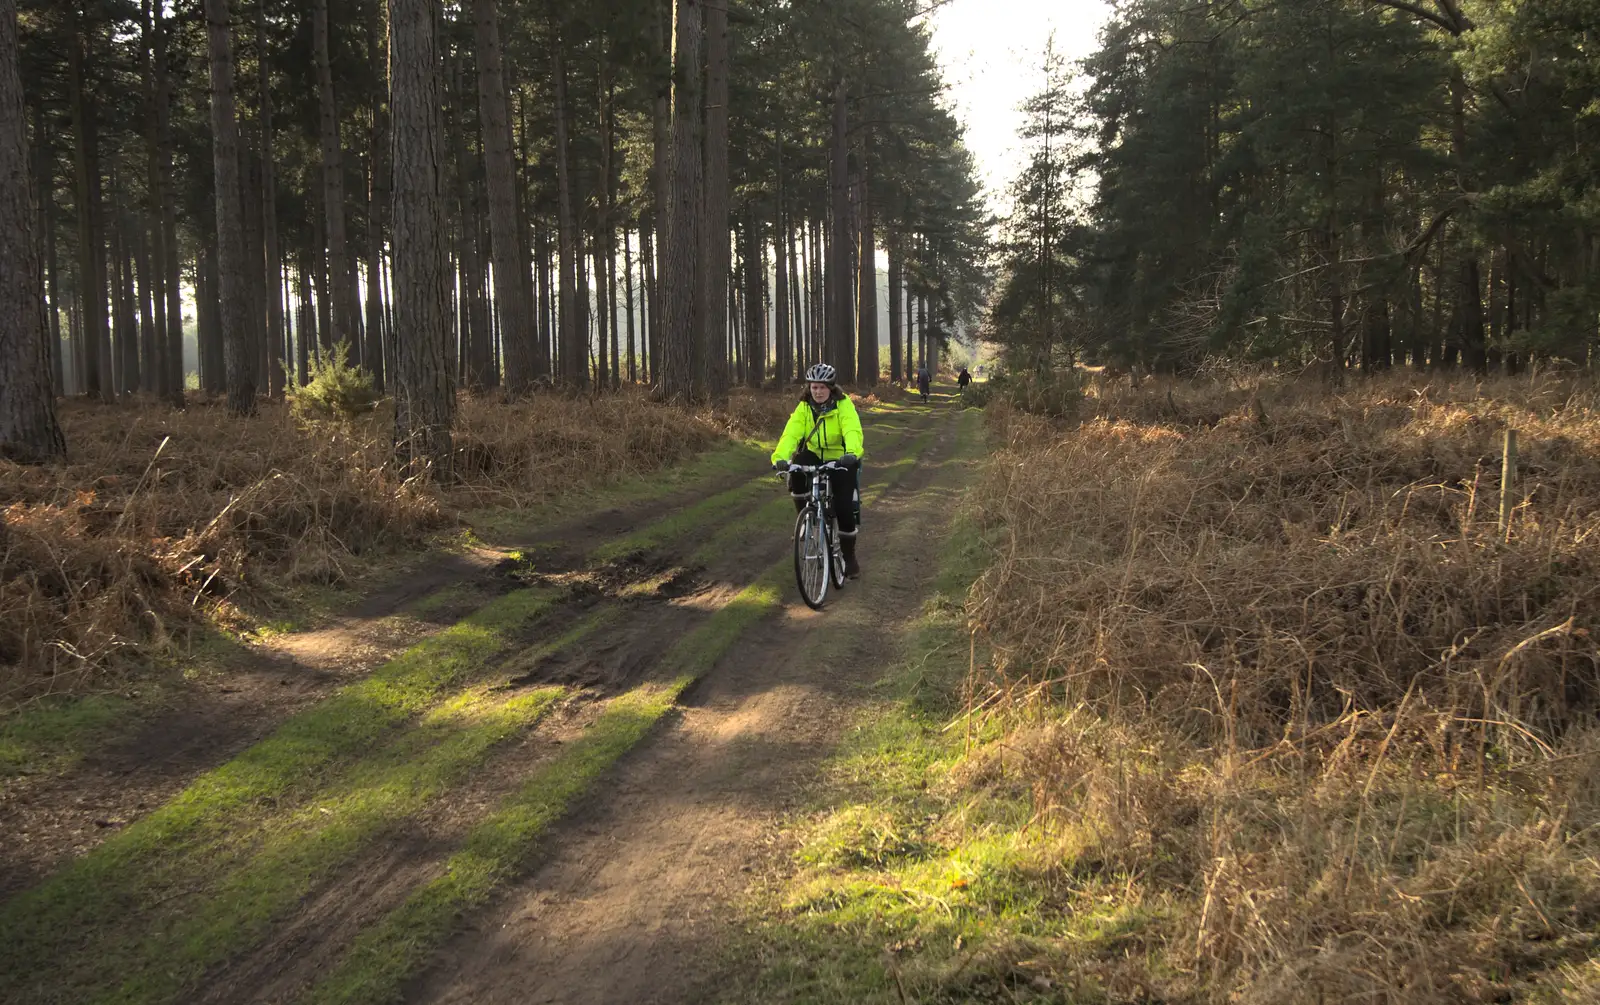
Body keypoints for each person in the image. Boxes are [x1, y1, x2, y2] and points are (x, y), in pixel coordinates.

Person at [772, 363, 865, 578]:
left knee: (843, 507)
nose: (818, 392)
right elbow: (791, 433)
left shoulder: (843, 405)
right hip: (814, 453)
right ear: (809, 388)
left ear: (831, 389)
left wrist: (851, 453)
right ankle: (804, 518)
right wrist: (780, 458)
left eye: (822, 388)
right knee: (796, 468)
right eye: (814, 388)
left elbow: (852, 429)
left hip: (840, 457)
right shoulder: (804, 407)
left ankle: (849, 557)